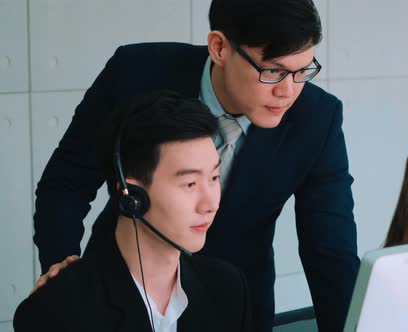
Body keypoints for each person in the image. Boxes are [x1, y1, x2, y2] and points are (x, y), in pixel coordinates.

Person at [32, 0, 359, 330]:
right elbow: (67, 182)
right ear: (219, 47)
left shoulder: (318, 117)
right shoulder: (135, 73)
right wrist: (64, 271)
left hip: (237, 301)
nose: (288, 92)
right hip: (120, 286)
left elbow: (330, 250)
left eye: (302, 71)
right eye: (273, 71)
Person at [15, 91, 251, 331]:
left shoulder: (228, 288)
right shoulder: (56, 311)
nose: (210, 203)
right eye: (190, 184)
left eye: (213, 177)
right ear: (132, 196)